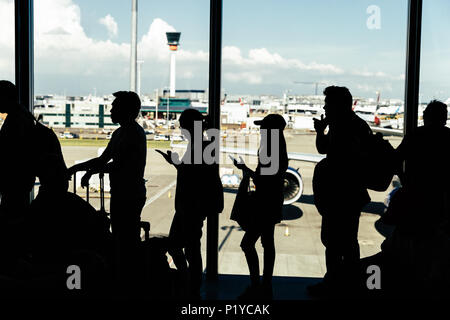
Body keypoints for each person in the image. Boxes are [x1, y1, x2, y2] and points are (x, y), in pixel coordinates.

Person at [67, 91, 146, 291]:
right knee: (121, 237)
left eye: (115, 106)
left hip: (129, 195)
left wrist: (83, 170)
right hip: (123, 193)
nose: (111, 109)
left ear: (126, 110)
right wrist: (85, 170)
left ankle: (129, 283)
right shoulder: (121, 133)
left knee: (126, 240)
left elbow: (119, 166)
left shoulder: (132, 134)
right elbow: (104, 160)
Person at [308, 86, 372, 297]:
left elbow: (331, 155)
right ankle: (342, 284)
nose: (325, 107)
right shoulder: (350, 125)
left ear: (338, 104)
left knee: (337, 244)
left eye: (328, 103)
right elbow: (324, 149)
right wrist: (322, 131)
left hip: (342, 196)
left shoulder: (348, 127)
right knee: (342, 243)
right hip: (345, 195)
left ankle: (337, 285)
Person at [156, 109, 223, 299]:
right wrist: (176, 162)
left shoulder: (200, 145)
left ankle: (189, 283)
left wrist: (176, 163)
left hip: (191, 206)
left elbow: (193, 176)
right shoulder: (201, 144)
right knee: (191, 247)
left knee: (180, 246)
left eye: (182, 125)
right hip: (194, 205)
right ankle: (192, 285)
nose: (180, 128)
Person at [232, 113, 288, 300]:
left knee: (247, 244)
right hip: (272, 203)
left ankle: (257, 285)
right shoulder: (278, 149)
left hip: (264, 204)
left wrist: (244, 169)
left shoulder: (270, 151)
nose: (261, 130)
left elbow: (262, 180)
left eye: (263, 127)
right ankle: (266, 285)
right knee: (267, 243)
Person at [0, 81, 35, 222]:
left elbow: (12, 152)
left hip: (14, 183)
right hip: (19, 182)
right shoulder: (22, 115)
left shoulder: (16, 119)